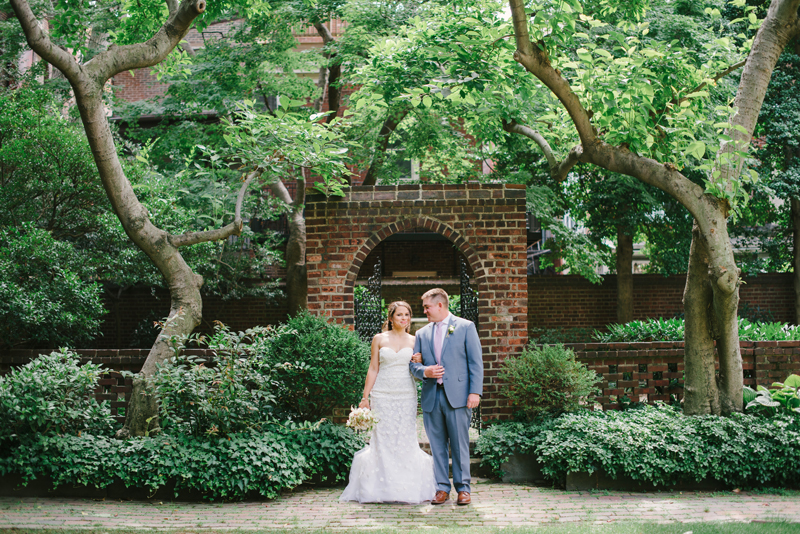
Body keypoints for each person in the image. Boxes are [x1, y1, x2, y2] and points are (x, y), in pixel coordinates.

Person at [340, 301, 436, 504]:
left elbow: (420, 370)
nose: (404, 318)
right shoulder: (379, 339)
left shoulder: (415, 340)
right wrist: (365, 397)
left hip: (406, 395)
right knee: (382, 439)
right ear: (391, 317)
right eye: (400, 315)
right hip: (382, 394)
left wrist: (419, 361)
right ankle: (380, 488)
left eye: (407, 315)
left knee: (404, 437)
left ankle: (405, 486)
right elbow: (373, 368)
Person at [409, 288, 483, 506]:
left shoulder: (465, 327)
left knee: (460, 444)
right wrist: (425, 372)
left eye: (427, 307)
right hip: (433, 396)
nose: (424, 311)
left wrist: (474, 392)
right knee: (437, 445)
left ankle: (463, 489)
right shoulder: (422, 334)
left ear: (440, 305)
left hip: (459, 396)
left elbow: (475, 363)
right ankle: (441, 488)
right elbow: (414, 366)